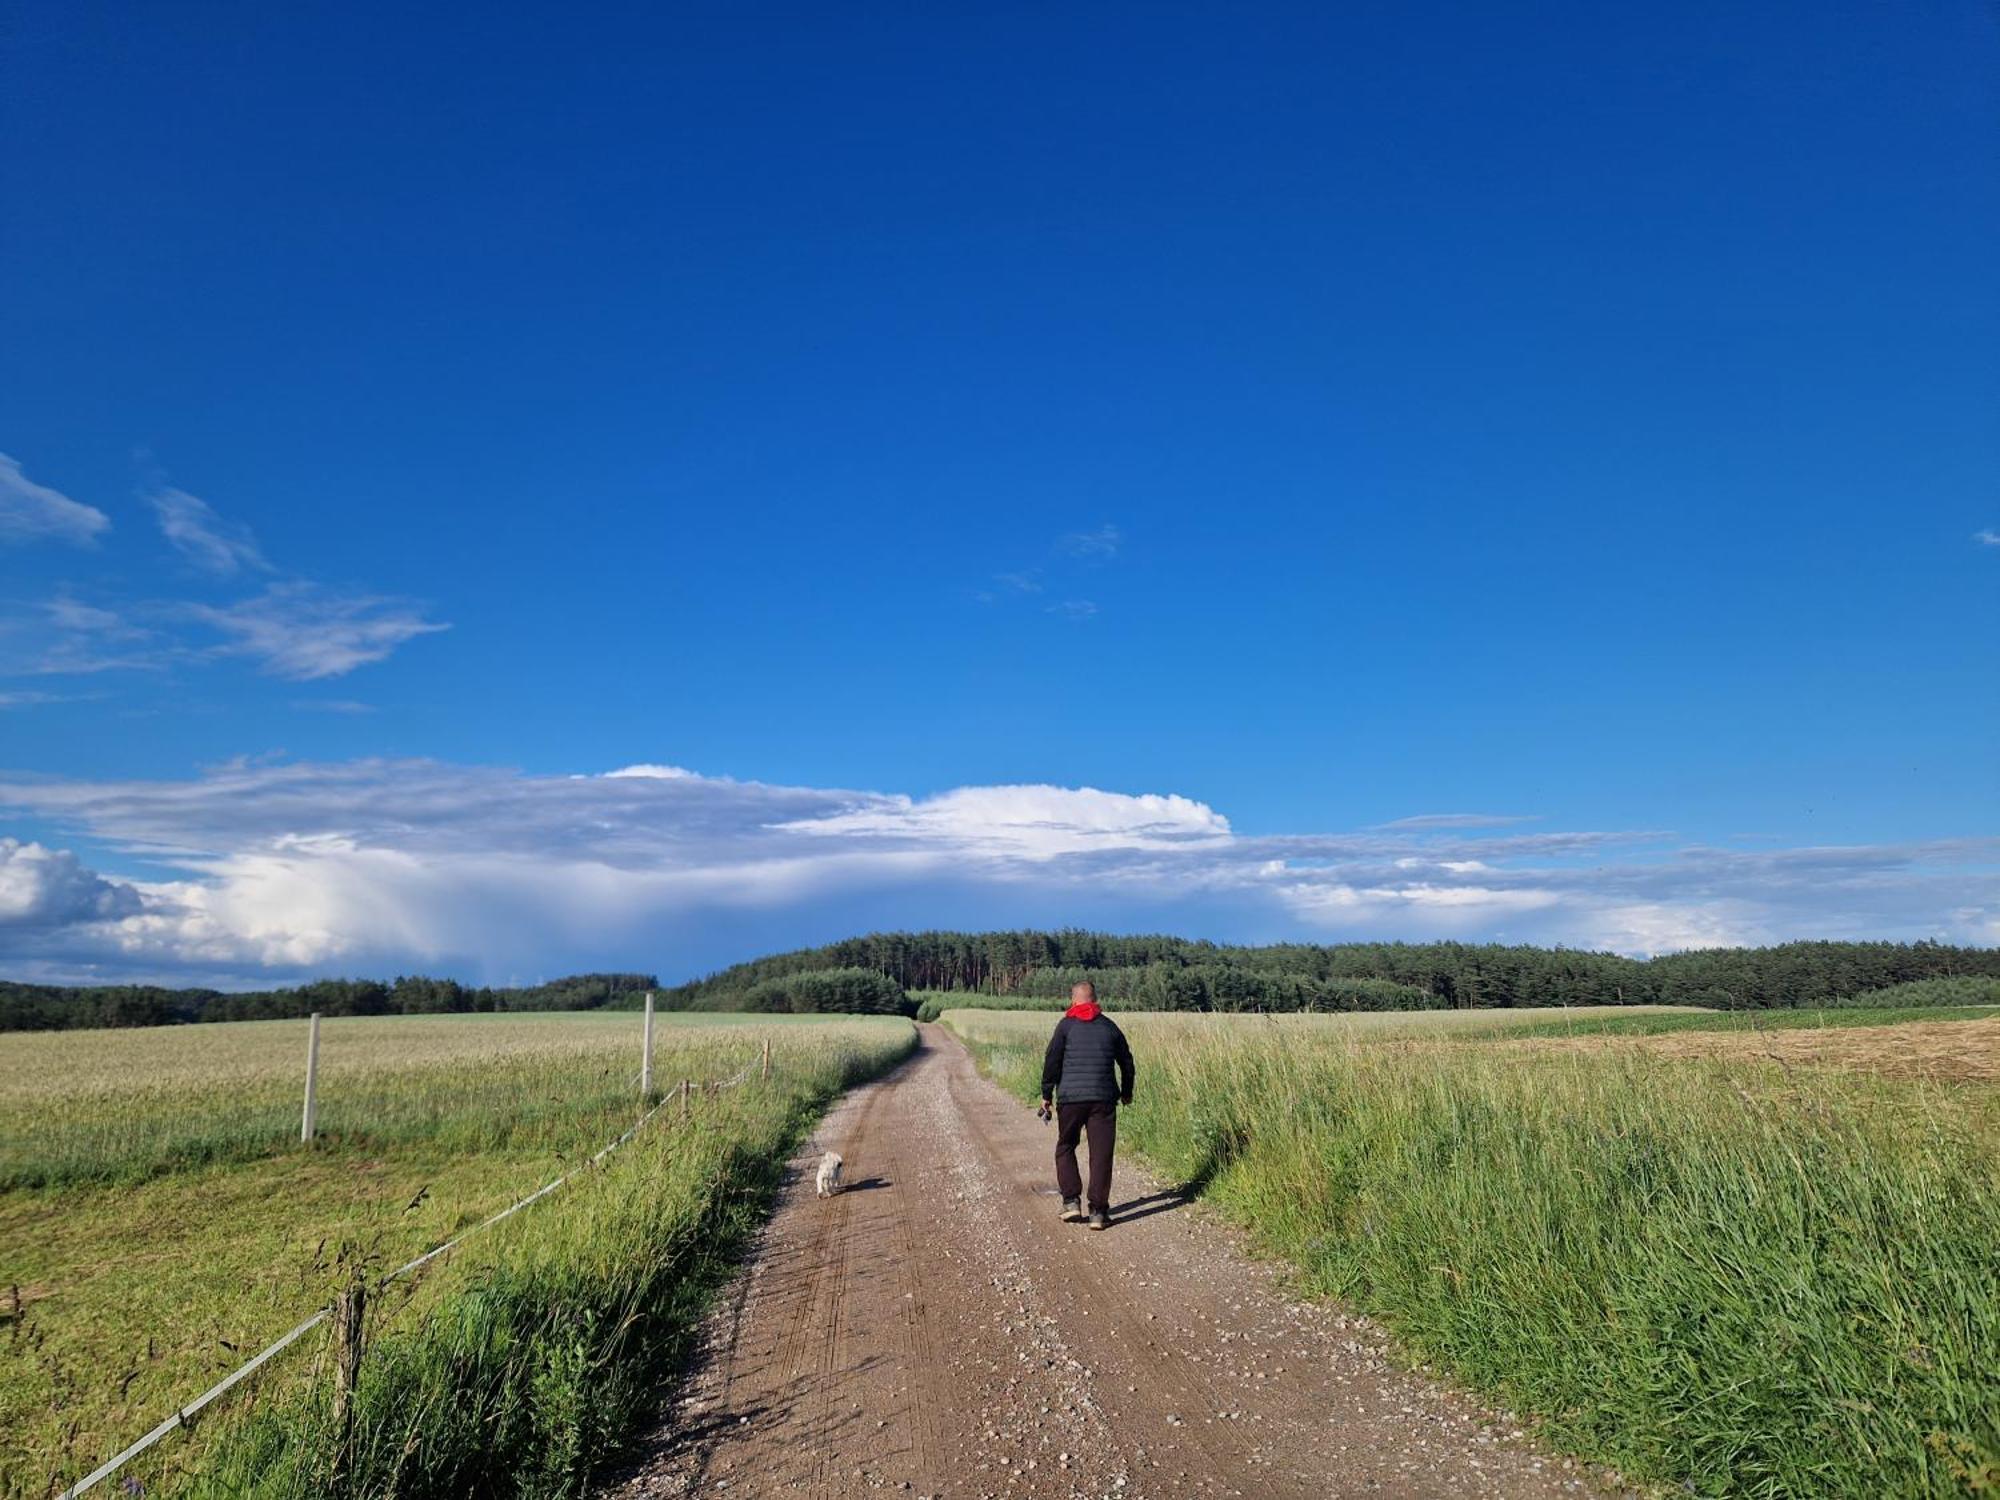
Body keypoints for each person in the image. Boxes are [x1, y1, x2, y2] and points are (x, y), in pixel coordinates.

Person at [1040, 981, 1135, 1231]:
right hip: (1103, 1099)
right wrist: (1127, 1092)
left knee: (1066, 1146)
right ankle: (1098, 1213)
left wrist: (1046, 1094)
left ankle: (1071, 1202)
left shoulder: (1066, 1026)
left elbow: (1052, 1061)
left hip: (1071, 1099)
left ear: (1074, 1000)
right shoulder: (1109, 1026)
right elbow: (1127, 1061)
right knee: (1101, 1154)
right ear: (1095, 1000)